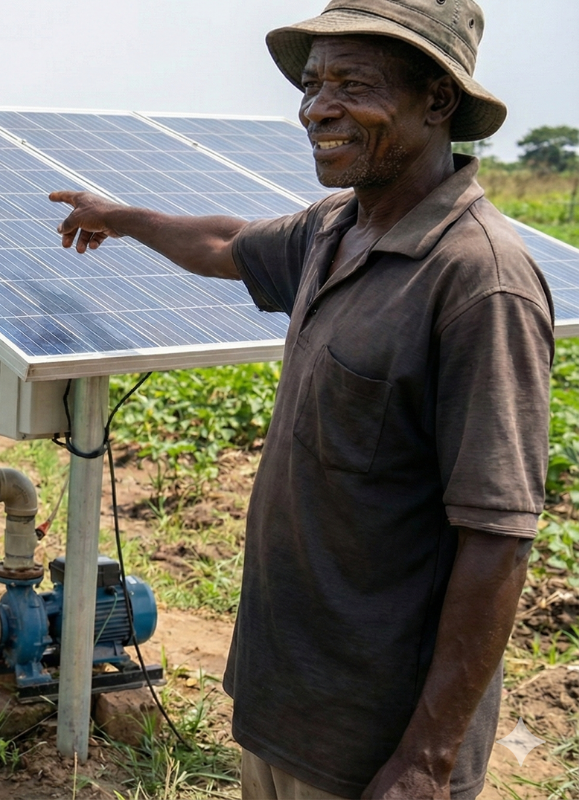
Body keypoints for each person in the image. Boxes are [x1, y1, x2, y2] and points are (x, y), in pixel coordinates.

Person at [50, 1, 553, 798]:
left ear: (437, 101)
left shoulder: (477, 282)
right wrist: (122, 217)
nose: (319, 107)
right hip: (283, 700)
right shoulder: (335, 230)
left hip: (376, 739)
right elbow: (223, 243)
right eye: (314, 84)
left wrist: (426, 760)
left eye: (353, 84)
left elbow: (498, 538)